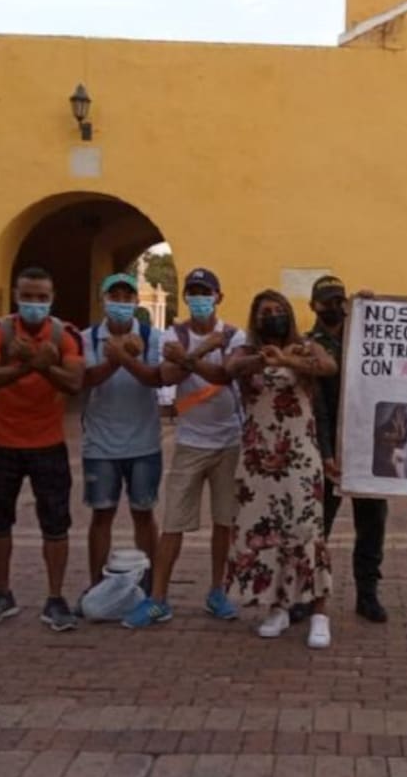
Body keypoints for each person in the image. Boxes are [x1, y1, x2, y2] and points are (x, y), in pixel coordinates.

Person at [123, 267, 243, 628]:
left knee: (225, 522)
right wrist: (204, 351)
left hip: (229, 441)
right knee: (173, 522)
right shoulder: (170, 335)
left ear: (219, 297)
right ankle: (159, 598)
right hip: (191, 442)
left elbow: (225, 375)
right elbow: (168, 377)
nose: (198, 298)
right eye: (192, 291)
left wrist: (189, 357)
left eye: (205, 291)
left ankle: (217, 591)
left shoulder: (236, 336)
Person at [0, 267, 84, 632]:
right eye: (28, 296)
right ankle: (1, 591)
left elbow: (74, 384)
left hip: (48, 444)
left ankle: (55, 597)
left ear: (52, 298)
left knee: (56, 524)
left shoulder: (65, 336)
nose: (34, 303)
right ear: (15, 296)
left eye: (41, 297)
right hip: (1, 442)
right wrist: (25, 365)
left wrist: (45, 367)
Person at [226, 289, 337, 647]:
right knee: (267, 532)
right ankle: (278, 608)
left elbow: (327, 366)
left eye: (277, 310)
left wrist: (288, 360)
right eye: (264, 312)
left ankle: (319, 612)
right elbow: (231, 369)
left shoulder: (307, 347)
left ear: (289, 314)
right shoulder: (246, 352)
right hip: (258, 459)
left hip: (301, 458)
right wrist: (265, 359)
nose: (271, 316)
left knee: (306, 531)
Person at [309, 276, 390, 623]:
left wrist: (372, 311)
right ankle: (308, 594)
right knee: (316, 527)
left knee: (372, 525)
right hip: (326, 450)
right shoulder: (309, 345)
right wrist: (326, 453)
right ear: (313, 306)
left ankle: (367, 593)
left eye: (339, 301)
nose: (334, 307)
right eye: (326, 301)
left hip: (368, 447)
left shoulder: (365, 336)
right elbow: (317, 406)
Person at [80, 274, 162, 587]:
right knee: (102, 515)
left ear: (136, 302)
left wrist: (125, 359)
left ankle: (153, 584)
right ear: (103, 300)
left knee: (144, 514)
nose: (121, 303)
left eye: (127, 298)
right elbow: (85, 379)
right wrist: (119, 360)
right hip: (100, 445)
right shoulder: (88, 339)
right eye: (114, 297)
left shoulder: (152, 337)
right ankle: (95, 585)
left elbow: (156, 378)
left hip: (144, 443)